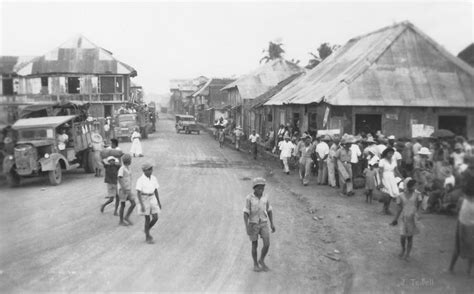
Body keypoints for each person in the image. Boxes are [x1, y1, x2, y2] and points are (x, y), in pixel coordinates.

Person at [243, 178, 276, 272]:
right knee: (254, 245)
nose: (261, 190)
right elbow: (245, 213)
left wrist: (272, 223)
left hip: (264, 223)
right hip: (253, 224)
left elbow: (269, 210)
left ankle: (261, 260)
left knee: (267, 244)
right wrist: (247, 227)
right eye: (259, 188)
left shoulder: (265, 198)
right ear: (254, 188)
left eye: (262, 188)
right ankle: (255, 264)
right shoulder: (249, 198)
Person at [449, 162, 474, 273]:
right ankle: (468, 270)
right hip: (468, 216)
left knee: (458, 245)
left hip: (464, 215)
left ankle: (451, 268)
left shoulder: (462, 197)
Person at [390, 178, 423, 261]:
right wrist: (395, 219)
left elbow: (419, 205)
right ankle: (403, 249)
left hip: (412, 218)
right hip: (404, 217)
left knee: (410, 238)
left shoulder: (417, 195)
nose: (416, 187)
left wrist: (417, 213)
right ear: (410, 186)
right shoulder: (400, 196)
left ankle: (407, 254)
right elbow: (399, 209)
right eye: (415, 185)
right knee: (402, 237)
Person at [136, 162, 162, 244]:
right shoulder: (140, 180)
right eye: (149, 170)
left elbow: (156, 190)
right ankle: (147, 236)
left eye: (151, 169)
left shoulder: (154, 178)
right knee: (147, 218)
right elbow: (138, 193)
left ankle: (146, 229)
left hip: (152, 197)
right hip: (144, 198)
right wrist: (142, 204)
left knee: (155, 217)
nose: (151, 171)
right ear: (144, 171)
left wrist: (158, 201)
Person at [379, 147, 402, 214]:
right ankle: (384, 209)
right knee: (387, 194)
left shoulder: (393, 160)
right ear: (386, 153)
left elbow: (396, 170)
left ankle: (387, 208)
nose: (391, 155)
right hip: (385, 177)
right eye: (389, 153)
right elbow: (381, 172)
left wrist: (401, 176)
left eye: (392, 153)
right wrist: (380, 182)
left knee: (392, 194)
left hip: (392, 178)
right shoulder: (382, 161)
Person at [117, 154, 136, 226]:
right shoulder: (122, 168)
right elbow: (119, 178)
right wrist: (123, 188)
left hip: (128, 188)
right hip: (123, 189)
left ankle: (126, 217)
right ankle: (121, 221)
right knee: (123, 205)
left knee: (133, 203)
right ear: (128, 160)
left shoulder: (128, 168)